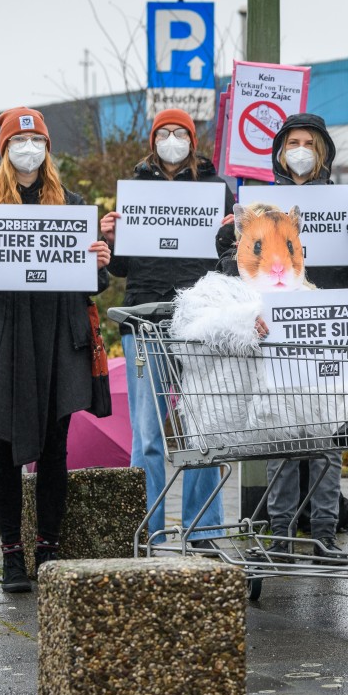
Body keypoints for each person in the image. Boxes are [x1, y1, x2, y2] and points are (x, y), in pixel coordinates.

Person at [0, 107, 111, 592]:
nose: (29, 149)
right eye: (19, 142)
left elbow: (93, 284)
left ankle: (48, 547)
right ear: (5, 151)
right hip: (5, 342)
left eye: (37, 141)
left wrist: (102, 261)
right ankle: (10, 556)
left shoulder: (73, 206)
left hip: (58, 339)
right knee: (5, 446)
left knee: (54, 447)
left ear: (47, 149)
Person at [216, 112, 348, 557]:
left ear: (322, 150)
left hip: (328, 324)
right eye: (293, 142)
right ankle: (281, 531)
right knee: (283, 435)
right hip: (282, 326)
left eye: (309, 143)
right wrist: (228, 247)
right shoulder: (260, 206)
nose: (301, 151)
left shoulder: (344, 202)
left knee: (327, 440)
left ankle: (325, 532)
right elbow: (242, 271)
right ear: (279, 151)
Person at [99, 109, 233, 546]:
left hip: (201, 320)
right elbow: (119, 267)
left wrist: (233, 233)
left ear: (193, 141)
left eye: (180, 133)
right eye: (164, 133)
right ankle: (149, 529)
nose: (172, 139)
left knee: (205, 427)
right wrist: (112, 239)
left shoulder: (216, 191)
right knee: (149, 434)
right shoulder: (135, 191)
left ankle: (204, 528)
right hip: (144, 320)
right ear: (153, 140)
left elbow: (230, 260)